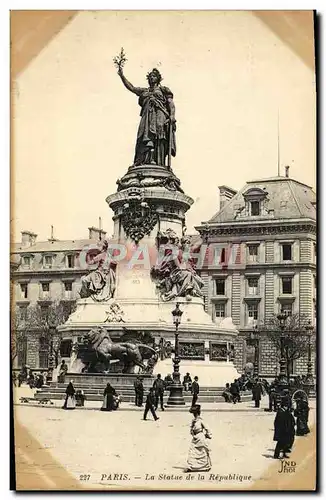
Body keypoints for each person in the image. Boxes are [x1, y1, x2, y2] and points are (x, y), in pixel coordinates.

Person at [117, 66, 176, 167]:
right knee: (143, 135)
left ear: (158, 78)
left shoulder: (163, 90)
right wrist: (122, 75)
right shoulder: (145, 91)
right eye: (150, 76)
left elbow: (171, 104)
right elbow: (132, 88)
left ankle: (157, 161)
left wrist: (172, 116)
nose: (151, 78)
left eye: (154, 76)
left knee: (159, 136)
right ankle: (143, 160)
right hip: (146, 116)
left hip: (159, 115)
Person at [185, 405, 212, 472]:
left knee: (202, 451)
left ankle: (204, 467)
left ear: (197, 413)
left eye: (194, 413)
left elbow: (207, 429)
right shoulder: (193, 421)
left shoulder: (201, 421)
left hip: (200, 437)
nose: (194, 415)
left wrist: (207, 435)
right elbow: (191, 430)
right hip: (195, 437)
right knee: (193, 451)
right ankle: (192, 466)